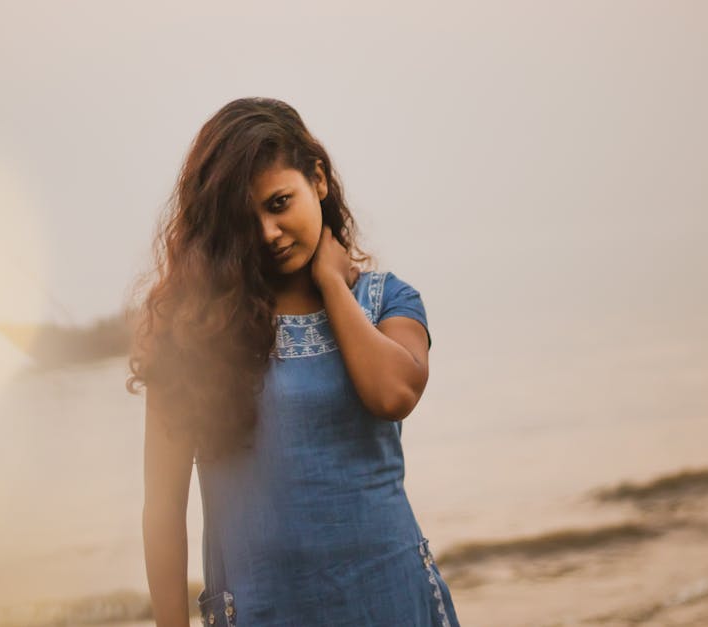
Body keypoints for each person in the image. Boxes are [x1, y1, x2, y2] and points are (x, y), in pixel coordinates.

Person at [128, 97, 461, 626]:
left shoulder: (385, 302)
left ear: (319, 181)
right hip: (264, 611)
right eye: (245, 220)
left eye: (279, 203)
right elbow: (163, 509)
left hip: (393, 602)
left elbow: (393, 394)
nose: (266, 233)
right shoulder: (193, 338)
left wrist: (332, 284)